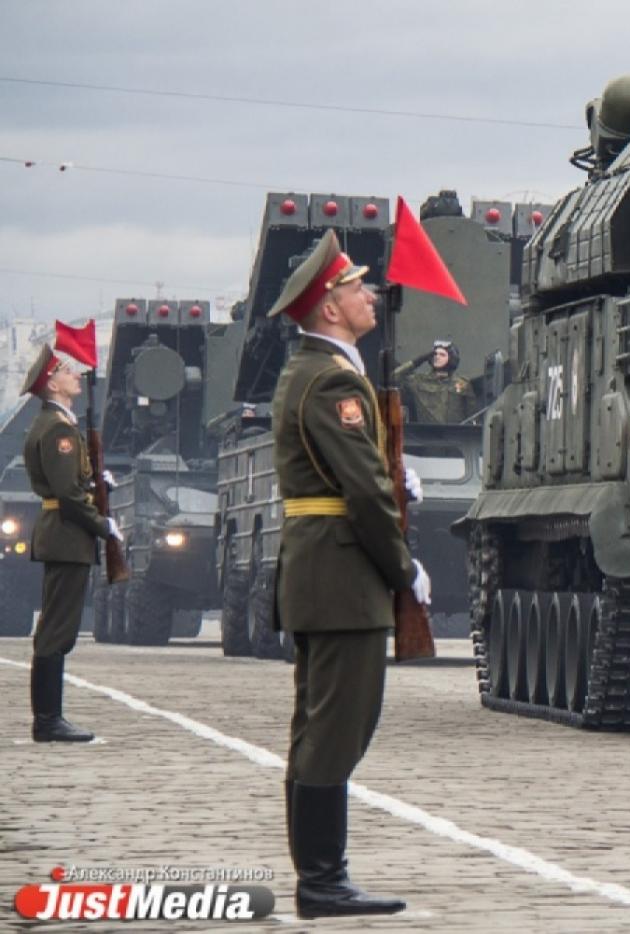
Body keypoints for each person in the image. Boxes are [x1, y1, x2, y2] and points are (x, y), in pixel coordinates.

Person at [265, 229, 431, 919]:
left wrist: (396, 478)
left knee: (320, 730)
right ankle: (323, 881)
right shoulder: (332, 378)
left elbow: (359, 474)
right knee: (336, 732)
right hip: (341, 576)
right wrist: (403, 568)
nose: (370, 294)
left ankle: (320, 876)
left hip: (322, 573)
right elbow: (362, 490)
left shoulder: (315, 371)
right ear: (329, 308)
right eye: (356, 287)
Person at [21, 344, 122, 743]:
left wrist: (97, 483)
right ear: (52, 384)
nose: (76, 375)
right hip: (66, 535)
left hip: (63, 534)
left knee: (57, 628)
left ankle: (49, 718)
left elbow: (70, 483)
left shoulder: (57, 424)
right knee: (57, 631)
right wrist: (103, 525)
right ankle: (48, 720)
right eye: (66, 371)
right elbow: (66, 494)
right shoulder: (58, 429)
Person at [393, 339, 476, 424]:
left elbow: (472, 417)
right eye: (435, 354)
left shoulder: (462, 383)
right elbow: (393, 377)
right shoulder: (419, 381)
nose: (437, 357)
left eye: (442, 355)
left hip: (455, 431)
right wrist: (418, 361)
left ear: (452, 358)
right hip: (428, 431)